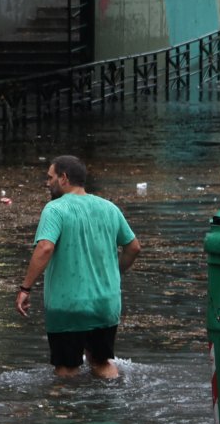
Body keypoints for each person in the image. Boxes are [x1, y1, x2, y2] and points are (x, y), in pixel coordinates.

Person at [16, 155, 141, 379]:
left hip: (68, 306)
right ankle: (110, 404)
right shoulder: (109, 208)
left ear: (64, 178)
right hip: (106, 303)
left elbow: (45, 247)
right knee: (102, 362)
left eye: (50, 177)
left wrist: (25, 288)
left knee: (66, 368)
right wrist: (115, 273)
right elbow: (133, 247)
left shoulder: (55, 209)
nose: (47, 182)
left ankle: (66, 411)